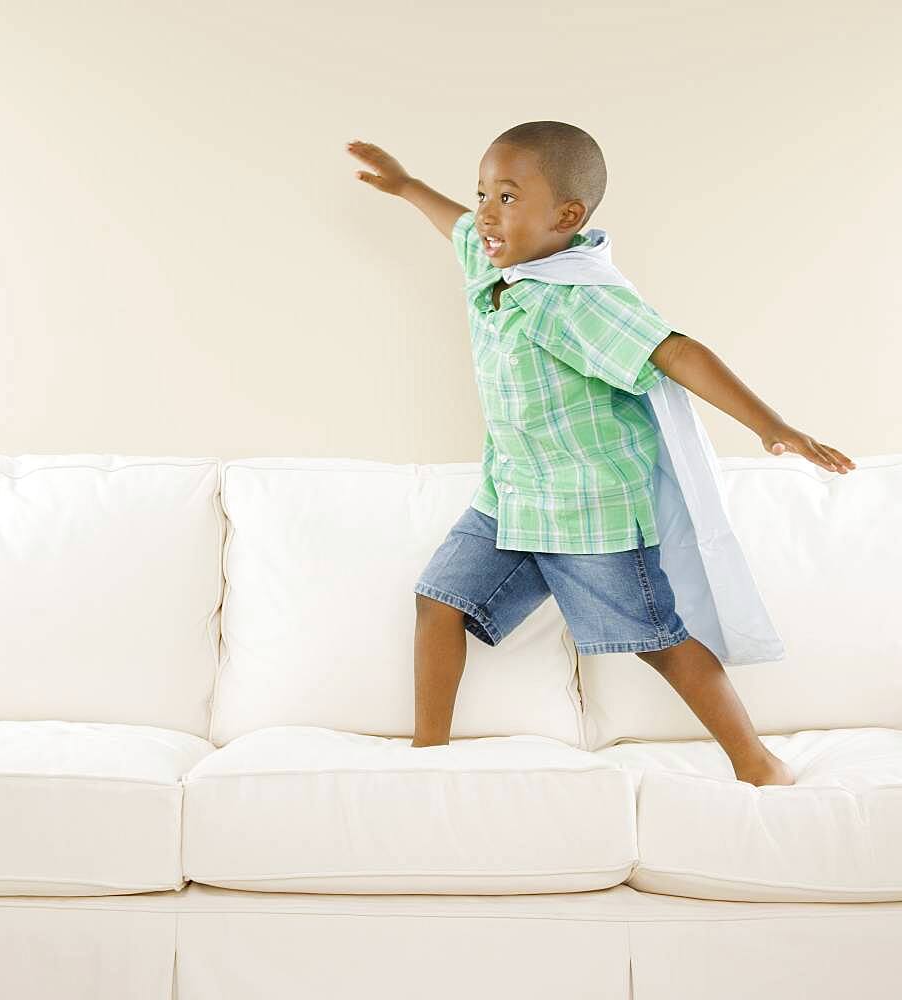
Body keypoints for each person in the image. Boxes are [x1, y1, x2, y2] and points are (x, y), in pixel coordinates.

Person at [345, 123, 855, 787]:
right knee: (438, 602)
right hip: (512, 497)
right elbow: (459, 230)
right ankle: (427, 761)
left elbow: (677, 351)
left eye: (506, 198)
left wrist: (771, 425)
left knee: (656, 642)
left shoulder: (581, 300)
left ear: (567, 216)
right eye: (482, 194)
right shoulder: (499, 259)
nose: (484, 216)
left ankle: (758, 763)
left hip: (592, 512)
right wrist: (406, 185)